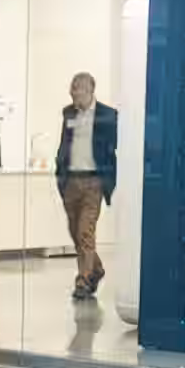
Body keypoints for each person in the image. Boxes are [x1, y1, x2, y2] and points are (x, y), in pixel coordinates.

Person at [50, 69, 121, 299]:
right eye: (71, 92)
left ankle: (83, 280)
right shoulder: (68, 113)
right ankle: (96, 269)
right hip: (71, 181)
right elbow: (65, 145)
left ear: (89, 91)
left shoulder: (108, 116)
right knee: (75, 231)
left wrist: (108, 177)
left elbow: (113, 149)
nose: (73, 96)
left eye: (77, 91)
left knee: (85, 231)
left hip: (93, 181)